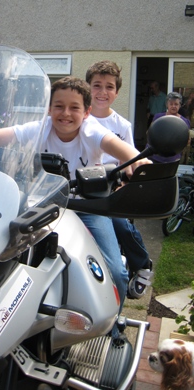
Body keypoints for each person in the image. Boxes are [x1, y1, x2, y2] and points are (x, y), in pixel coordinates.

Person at [0, 76, 152, 335]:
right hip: (42, 205)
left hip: (87, 207)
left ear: (87, 112)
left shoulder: (92, 131)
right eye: (58, 106)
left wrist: (140, 162)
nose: (65, 113)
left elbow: (119, 147)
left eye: (74, 107)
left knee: (115, 272)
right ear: (49, 108)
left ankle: (111, 329)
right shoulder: (39, 128)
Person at [86, 60, 153, 300]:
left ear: (116, 92)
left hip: (110, 191)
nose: (102, 92)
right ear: (87, 88)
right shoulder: (76, 118)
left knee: (121, 225)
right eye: (96, 85)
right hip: (78, 191)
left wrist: (130, 177)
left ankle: (142, 263)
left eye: (109, 87)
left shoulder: (121, 125)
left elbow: (130, 161)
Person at [149, 92, 190, 163]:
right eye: (171, 104)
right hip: (155, 156)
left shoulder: (184, 121)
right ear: (167, 105)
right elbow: (150, 133)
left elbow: (187, 140)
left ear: (180, 105)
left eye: (176, 104)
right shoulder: (158, 117)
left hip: (173, 158)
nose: (173, 106)